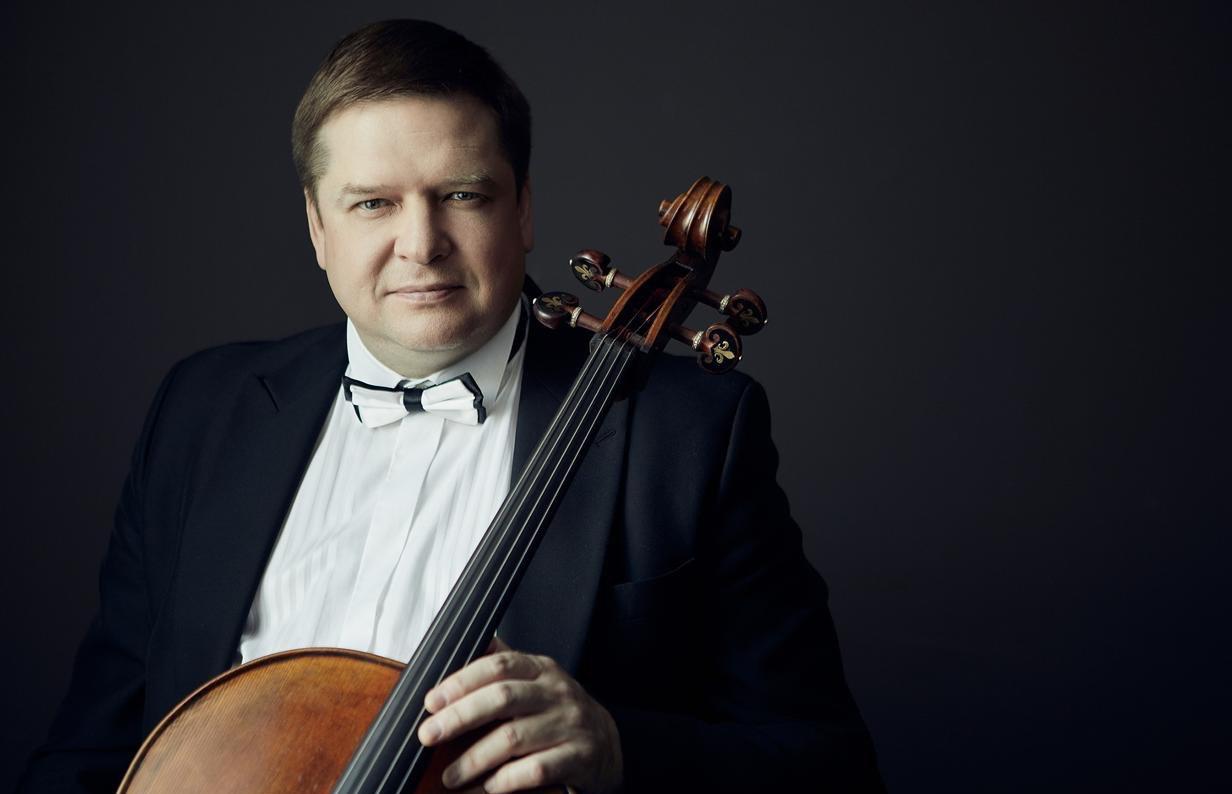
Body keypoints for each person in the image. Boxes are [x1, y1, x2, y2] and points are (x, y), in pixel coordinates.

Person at [18, 19, 883, 794]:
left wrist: (621, 749)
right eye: (373, 204)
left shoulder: (687, 435)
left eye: (461, 195)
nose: (421, 244)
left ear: (524, 209)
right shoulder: (201, 413)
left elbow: (830, 765)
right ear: (318, 227)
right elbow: (93, 752)